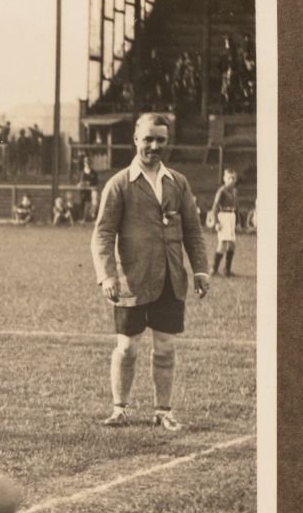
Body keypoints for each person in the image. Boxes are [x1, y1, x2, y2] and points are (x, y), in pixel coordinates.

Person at [91, 111, 209, 432]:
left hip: (171, 279)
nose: (154, 146)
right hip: (132, 280)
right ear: (135, 140)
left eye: (160, 140)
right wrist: (107, 275)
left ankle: (163, 411)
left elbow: (194, 231)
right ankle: (120, 409)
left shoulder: (178, 182)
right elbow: (102, 233)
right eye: (148, 139)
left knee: (166, 347)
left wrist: (200, 270)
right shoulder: (119, 184)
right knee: (127, 348)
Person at [209, 169, 240, 277]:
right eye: (229, 178)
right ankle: (214, 269)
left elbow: (237, 208)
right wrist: (217, 222)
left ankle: (227, 270)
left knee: (232, 245)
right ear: (224, 178)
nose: (231, 180)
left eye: (233, 178)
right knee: (223, 243)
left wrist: (238, 223)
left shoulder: (234, 191)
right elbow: (215, 207)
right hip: (223, 216)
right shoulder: (221, 191)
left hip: (232, 216)